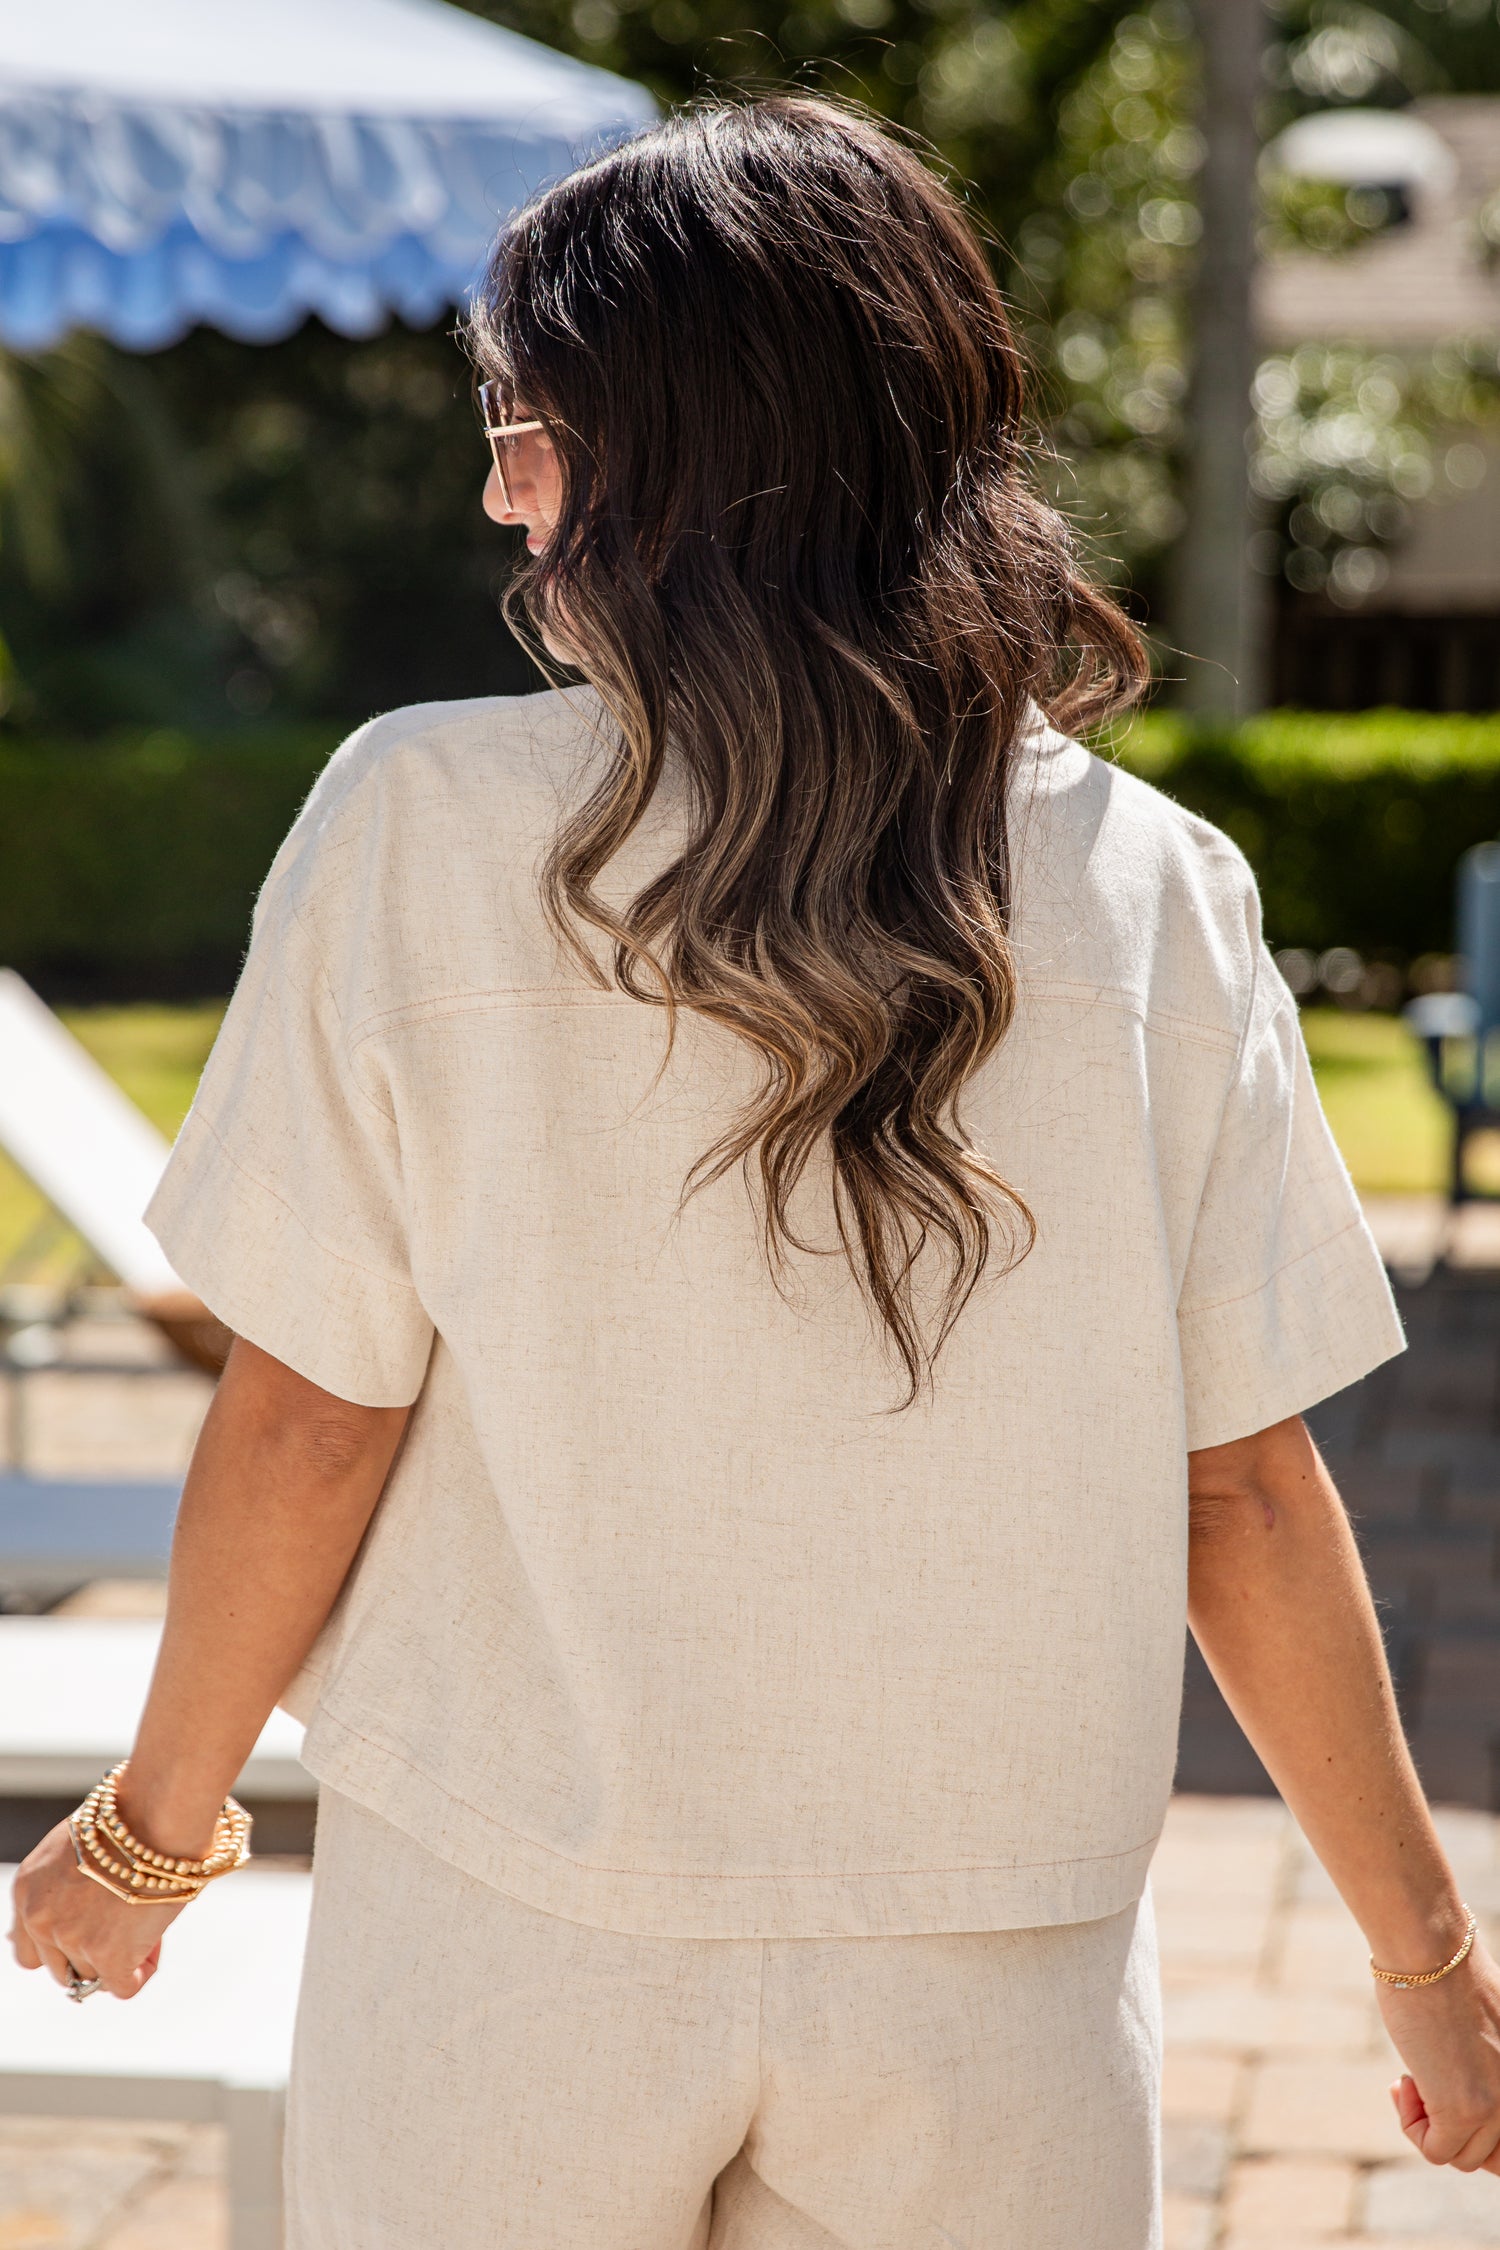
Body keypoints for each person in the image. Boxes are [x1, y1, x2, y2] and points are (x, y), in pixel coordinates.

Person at [9, 94, 1500, 2250]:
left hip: (509, 1936)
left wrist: (143, 1842)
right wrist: (1430, 1966)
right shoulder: (1160, 891)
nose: (498, 493)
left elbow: (315, 1413)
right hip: (994, 1982)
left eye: (527, 423)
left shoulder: (414, 825)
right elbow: (1242, 1490)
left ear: (676, 455)